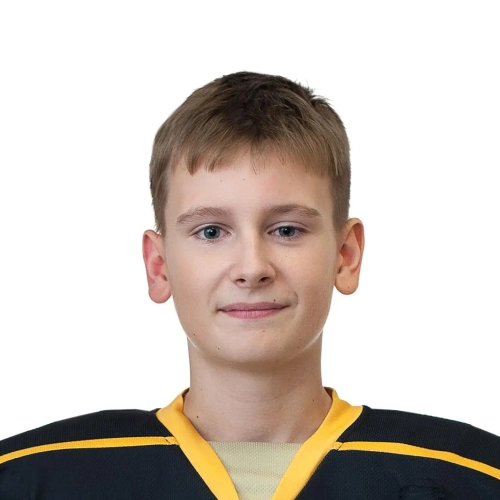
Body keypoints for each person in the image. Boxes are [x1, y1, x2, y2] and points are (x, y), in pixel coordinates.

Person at [0, 71, 499, 499]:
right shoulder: (35, 479)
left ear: (345, 256)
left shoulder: (470, 476)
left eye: (287, 230)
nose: (252, 267)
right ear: (159, 266)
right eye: (211, 232)